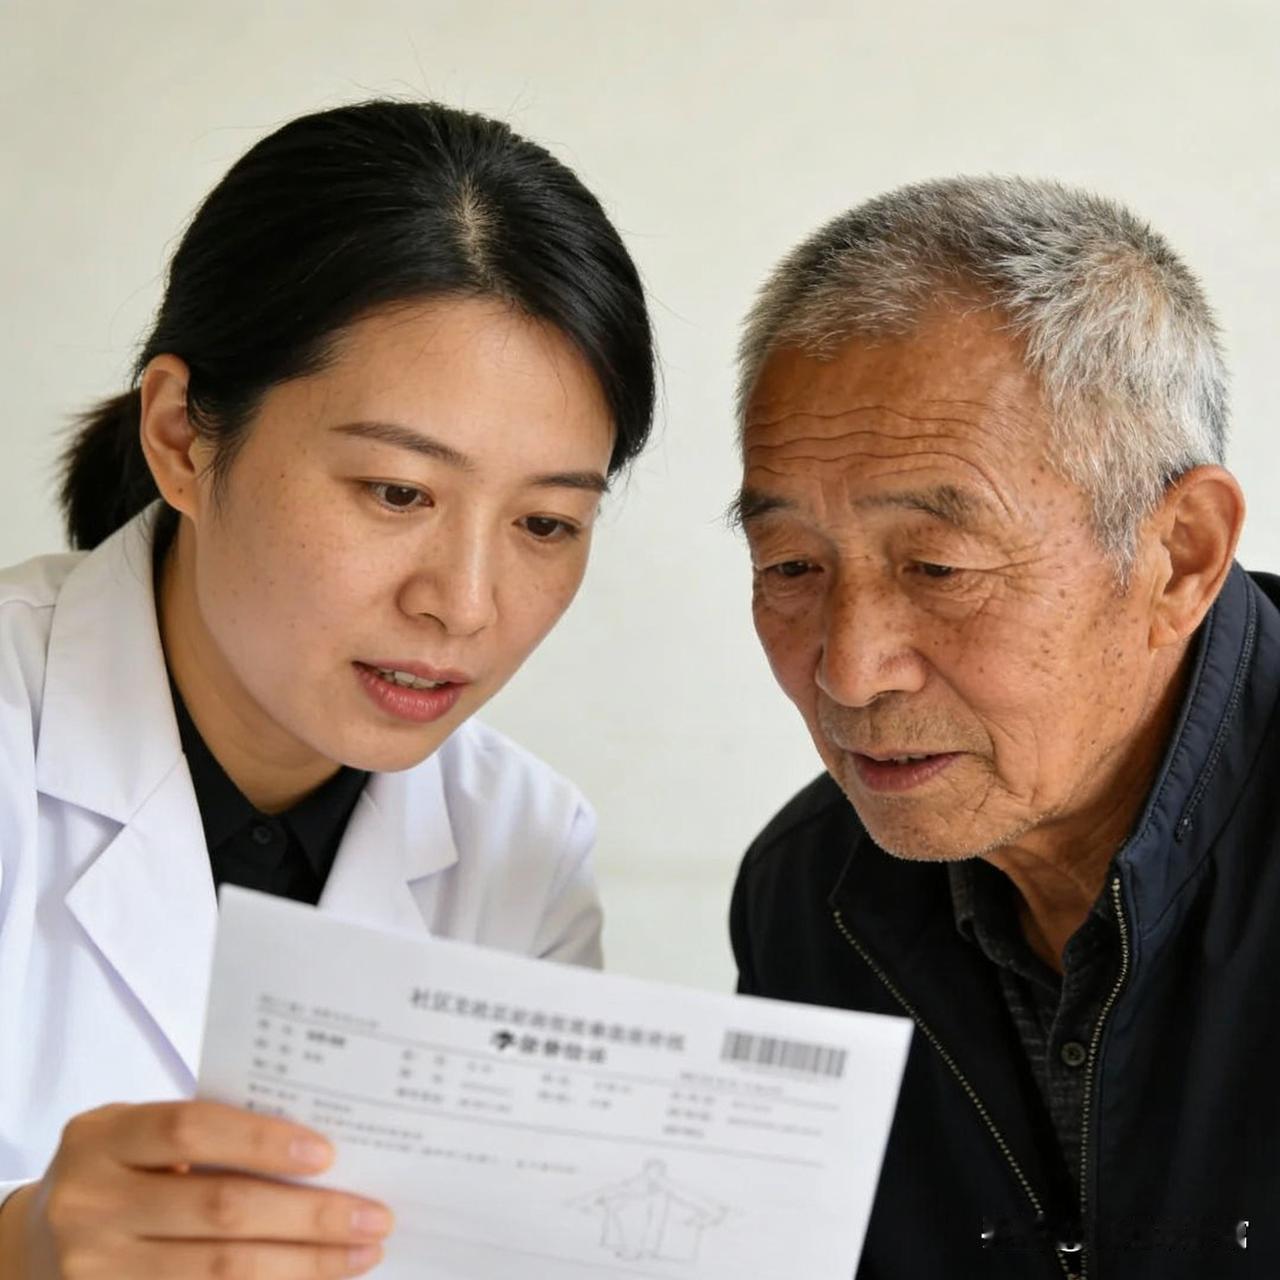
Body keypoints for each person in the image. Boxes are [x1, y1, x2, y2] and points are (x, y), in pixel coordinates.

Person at [0, 100, 654, 1278]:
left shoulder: (520, 845)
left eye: (546, 522)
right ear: (181, 436)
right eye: (398, 492)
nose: (463, 603)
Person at [728, 177, 1272, 1279]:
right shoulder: (811, 896)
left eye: (937, 567)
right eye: (789, 566)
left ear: (1179, 554)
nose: (849, 669)